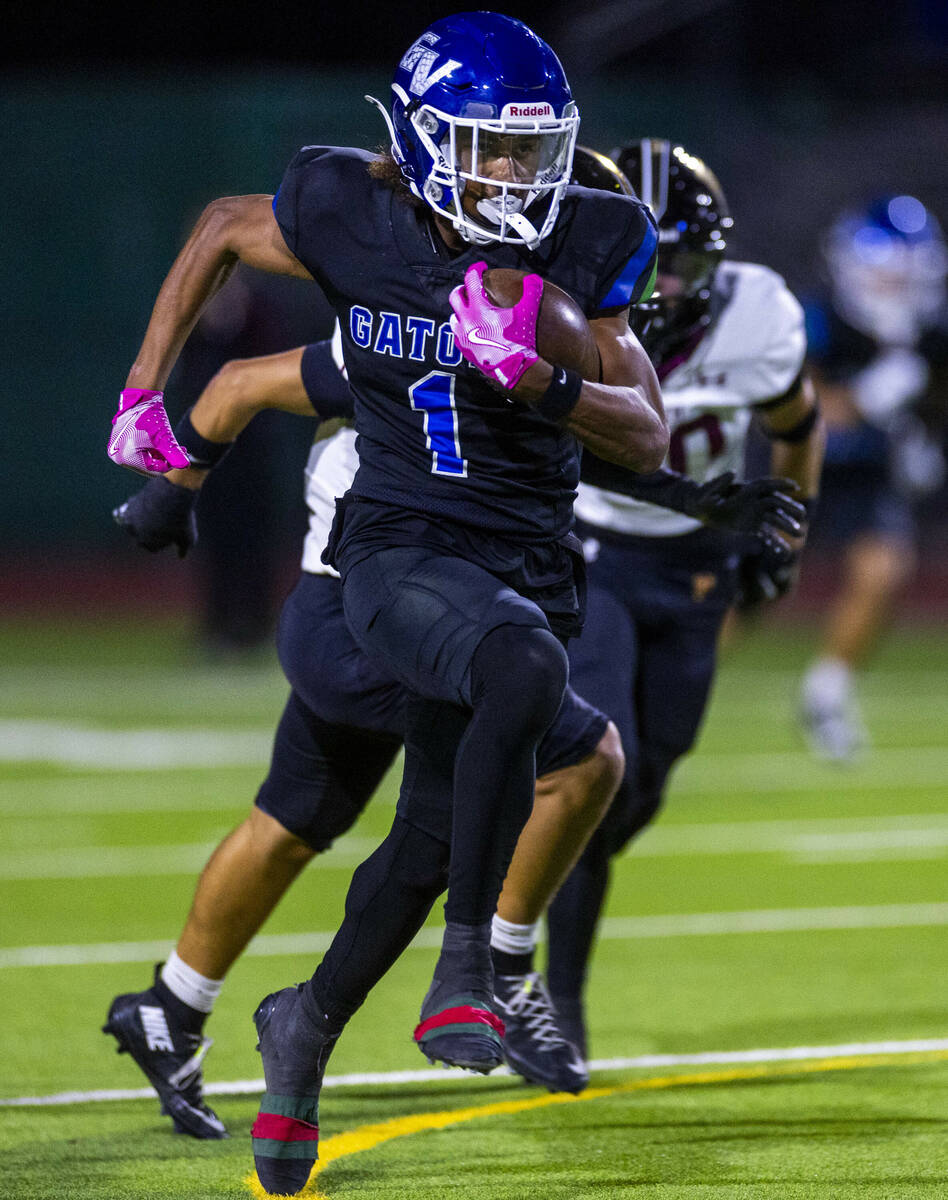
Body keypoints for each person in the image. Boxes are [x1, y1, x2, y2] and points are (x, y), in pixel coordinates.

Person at [106, 15, 670, 1189]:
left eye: (531, 152)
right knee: (517, 690)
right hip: (390, 555)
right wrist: (147, 403)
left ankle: (297, 1030)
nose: (515, 178)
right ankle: (478, 971)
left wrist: (549, 381)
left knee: (420, 840)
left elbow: (648, 434)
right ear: (420, 139)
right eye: (488, 150)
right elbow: (221, 238)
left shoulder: (590, 242)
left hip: (519, 569)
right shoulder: (349, 212)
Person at [106, 274, 803, 1141]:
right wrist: (171, 486)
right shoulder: (421, 331)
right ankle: (496, 966)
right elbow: (243, 380)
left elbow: (559, 447)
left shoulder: (514, 346)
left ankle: (171, 1004)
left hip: (367, 614)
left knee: (290, 822)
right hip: (378, 619)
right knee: (569, 765)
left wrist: (692, 498)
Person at [541, 138, 825, 1057]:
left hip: (696, 561)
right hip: (593, 547)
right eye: (649, 264)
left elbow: (798, 426)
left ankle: (544, 882)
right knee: (603, 758)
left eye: (684, 262)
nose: (664, 289)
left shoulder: (758, 314)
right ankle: (552, 999)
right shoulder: (556, 307)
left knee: (644, 787)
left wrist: (787, 532)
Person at [797, 195, 948, 761]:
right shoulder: (818, 316)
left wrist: (925, 438)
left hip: (870, 476)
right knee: (743, 594)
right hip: (799, 466)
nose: (891, 280)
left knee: (884, 569)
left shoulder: (931, 335)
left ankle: (826, 695)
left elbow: (934, 402)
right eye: (883, 265)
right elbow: (796, 401)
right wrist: (862, 399)